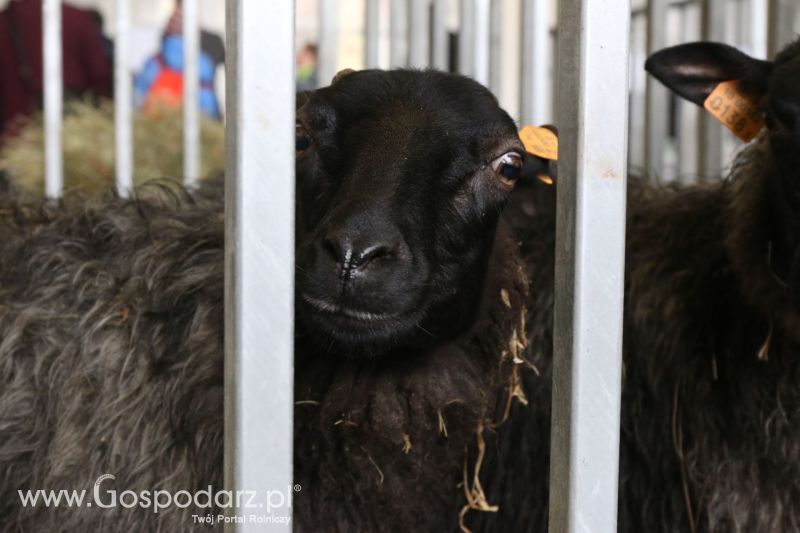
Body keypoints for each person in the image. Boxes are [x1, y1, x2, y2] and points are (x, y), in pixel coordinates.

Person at [0, 0, 112, 143]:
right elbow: (100, 77)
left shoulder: (5, 21)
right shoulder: (77, 18)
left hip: (17, 137)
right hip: (75, 135)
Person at [133, 0, 224, 120]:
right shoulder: (211, 44)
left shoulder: (156, 61)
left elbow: (137, 97)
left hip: (160, 122)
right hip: (201, 121)